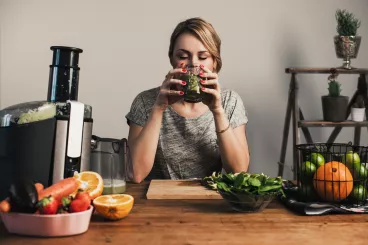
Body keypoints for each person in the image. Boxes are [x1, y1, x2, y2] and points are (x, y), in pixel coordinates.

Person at [125, 17, 250, 183]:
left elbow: (239, 171)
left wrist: (218, 111)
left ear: (214, 62)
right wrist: (158, 108)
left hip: (207, 201)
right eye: (183, 56)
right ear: (172, 59)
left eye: (203, 57)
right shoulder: (145, 102)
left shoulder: (229, 101)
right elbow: (135, 174)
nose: (193, 64)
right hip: (156, 202)